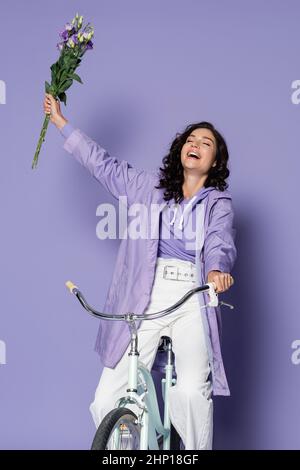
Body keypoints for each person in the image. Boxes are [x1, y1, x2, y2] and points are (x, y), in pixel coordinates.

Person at [43, 93, 237, 450]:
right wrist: (59, 122)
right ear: (181, 149)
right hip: (144, 294)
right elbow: (103, 165)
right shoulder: (148, 187)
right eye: (190, 139)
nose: (195, 144)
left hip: (192, 296)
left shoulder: (218, 204)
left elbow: (219, 242)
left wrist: (216, 272)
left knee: (192, 393)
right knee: (107, 399)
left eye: (205, 142)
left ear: (214, 160)